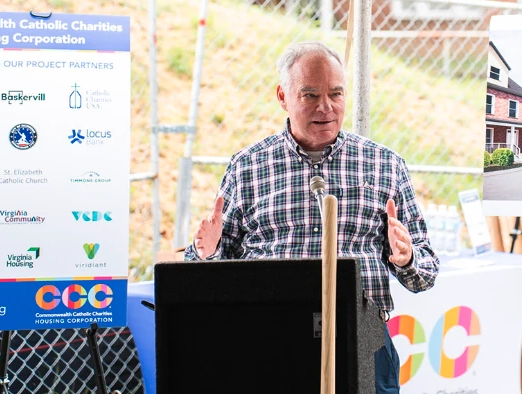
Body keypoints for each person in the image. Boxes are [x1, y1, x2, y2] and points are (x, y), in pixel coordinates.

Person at [186, 41, 439, 394]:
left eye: (336, 94)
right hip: (268, 332)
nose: (326, 107)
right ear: (282, 97)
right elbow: (201, 275)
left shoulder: (384, 165)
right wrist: (207, 254)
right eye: (310, 95)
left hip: (362, 334)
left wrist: (407, 258)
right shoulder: (248, 167)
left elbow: (425, 274)